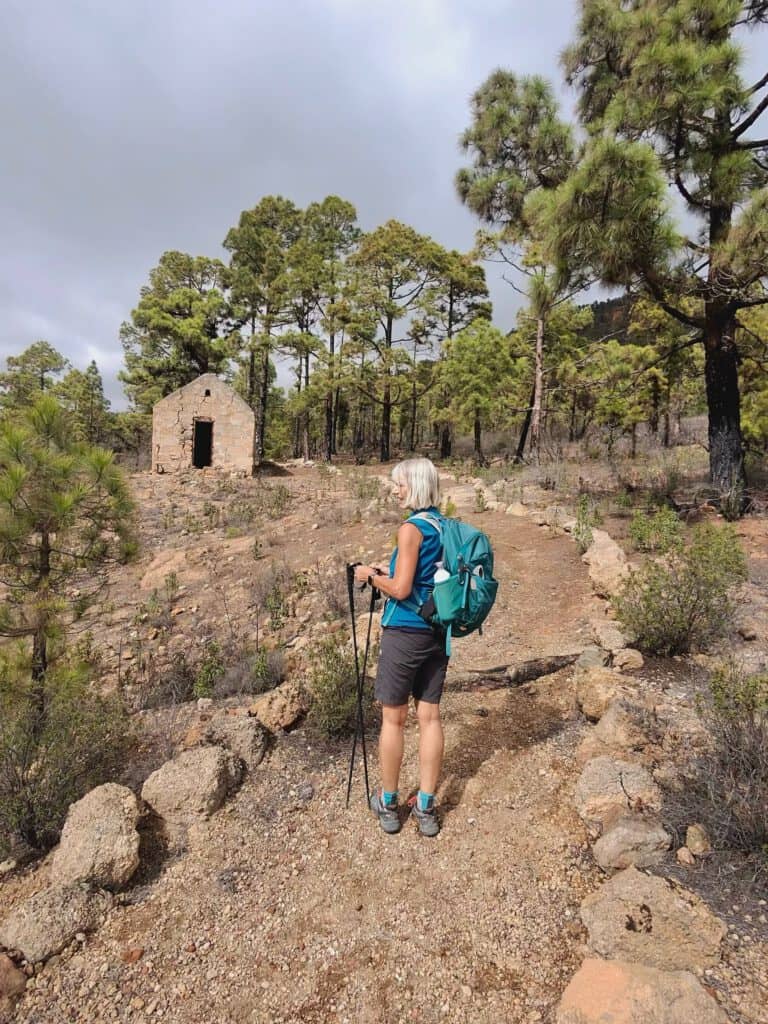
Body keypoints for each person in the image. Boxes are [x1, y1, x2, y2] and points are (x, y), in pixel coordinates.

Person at [354, 457, 448, 837]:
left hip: (405, 633)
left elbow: (402, 590)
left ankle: (389, 802)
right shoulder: (443, 526)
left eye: (400, 484)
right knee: (431, 718)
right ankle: (425, 806)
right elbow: (425, 579)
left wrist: (372, 577)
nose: (395, 490)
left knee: (393, 720)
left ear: (416, 485)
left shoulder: (411, 529)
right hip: (437, 632)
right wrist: (388, 572)